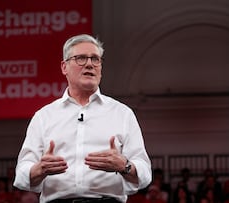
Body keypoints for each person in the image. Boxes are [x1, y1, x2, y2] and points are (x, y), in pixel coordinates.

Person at [13, 34, 152, 203]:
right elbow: (21, 174)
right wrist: (39, 169)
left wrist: (124, 166)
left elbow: (145, 173)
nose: (89, 64)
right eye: (80, 58)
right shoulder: (44, 116)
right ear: (64, 67)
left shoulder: (122, 114)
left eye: (95, 59)